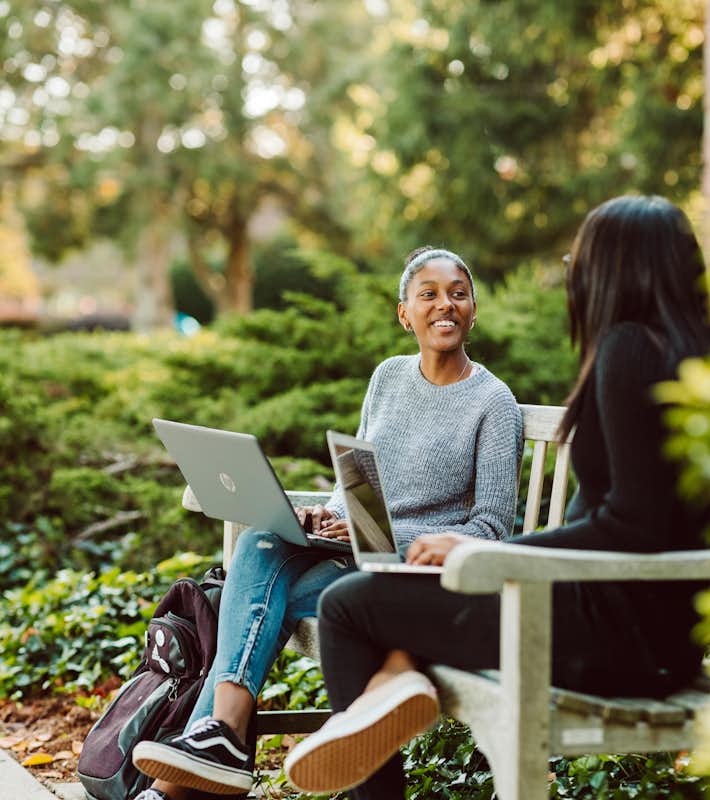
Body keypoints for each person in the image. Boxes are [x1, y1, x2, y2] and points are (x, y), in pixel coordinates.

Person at [283, 195, 710, 799]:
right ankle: (394, 679)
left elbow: (633, 524)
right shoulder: (695, 354)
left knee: (348, 608)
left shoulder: (628, 350)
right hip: (659, 629)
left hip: (614, 636)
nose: (575, 270)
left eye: (582, 256)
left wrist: (486, 553)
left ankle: (391, 693)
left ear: (620, 268)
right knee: (371, 599)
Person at [130, 246, 524, 800]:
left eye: (458, 294)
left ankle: (203, 757)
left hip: (407, 578)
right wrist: (332, 514)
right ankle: (217, 740)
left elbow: (491, 528)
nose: (445, 306)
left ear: (474, 311)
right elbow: (356, 484)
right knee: (264, 541)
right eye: (428, 294)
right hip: (353, 553)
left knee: (260, 595)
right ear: (404, 313)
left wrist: (389, 537)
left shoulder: (493, 403)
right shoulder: (387, 378)